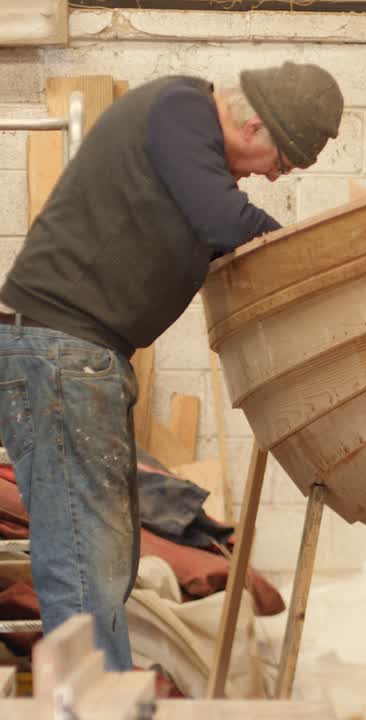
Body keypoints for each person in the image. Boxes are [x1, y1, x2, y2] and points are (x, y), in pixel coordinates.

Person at [0, 62, 343, 671]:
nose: (274, 175)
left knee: (105, 554)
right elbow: (228, 225)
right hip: (61, 352)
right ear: (256, 124)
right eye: (282, 161)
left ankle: (98, 700)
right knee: (87, 559)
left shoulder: (186, 151)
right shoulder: (181, 110)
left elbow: (227, 239)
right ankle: (93, 711)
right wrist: (324, 259)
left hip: (71, 355)